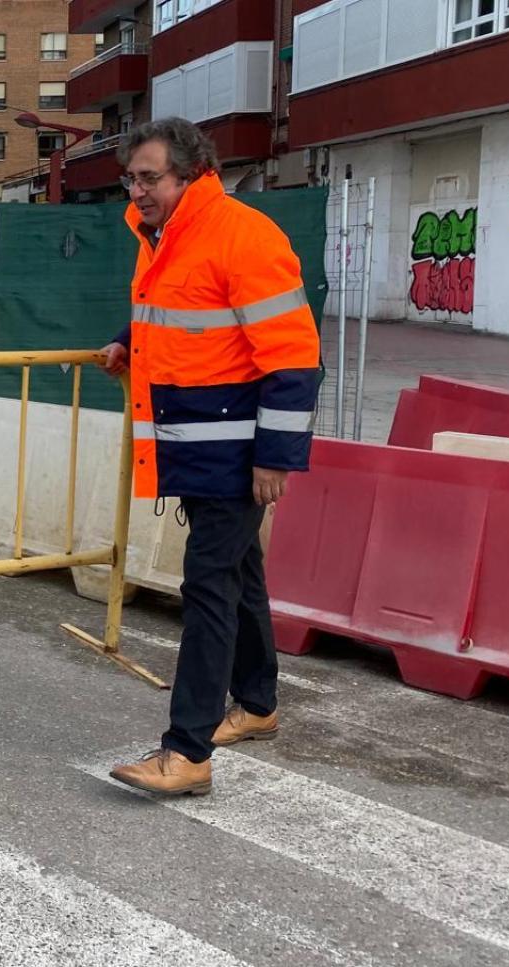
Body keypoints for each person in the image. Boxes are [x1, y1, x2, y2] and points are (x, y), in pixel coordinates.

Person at [98, 118, 320, 796]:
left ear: (192, 174)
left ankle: (187, 751)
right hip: (199, 448)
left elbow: (293, 357)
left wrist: (276, 457)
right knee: (239, 576)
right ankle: (257, 703)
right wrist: (125, 341)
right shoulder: (164, 239)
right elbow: (179, 317)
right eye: (130, 178)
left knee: (209, 588)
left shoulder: (242, 235)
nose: (136, 191)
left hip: (236, 451)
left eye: (149, 178)